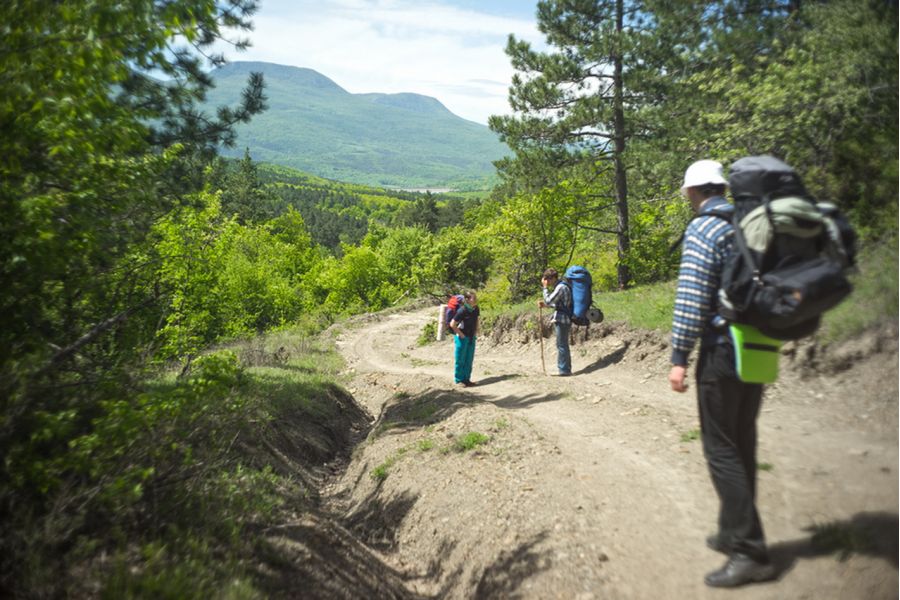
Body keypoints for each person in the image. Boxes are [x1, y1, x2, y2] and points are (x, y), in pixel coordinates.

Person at [668, 159, 776, 588]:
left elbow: (692, 297)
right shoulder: (748, 225)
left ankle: (750, 551)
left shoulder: (703, 229)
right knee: (743, 442)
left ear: (692, 193)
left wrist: (679, 355)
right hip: (757, 347)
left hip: (720, 352)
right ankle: (733, 531)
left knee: (720, 449)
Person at [537, 268, 572, 376]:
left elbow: (549, 299)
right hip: (562, 317)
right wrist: (546, 305)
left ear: (553, 278)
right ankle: (564, 369)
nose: (547, 282)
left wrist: (545, 288)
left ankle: (564, 370)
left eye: (548, 279)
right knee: (561, 344)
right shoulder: (561, 286)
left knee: (562, 345)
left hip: (563, 319)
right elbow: (557, 303)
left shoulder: (561, 287)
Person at [448, 291, 479, 387]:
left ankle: (467, 379)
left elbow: (477, 320)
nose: (475, 300)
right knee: (460, 359)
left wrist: (476, 332)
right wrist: (461, 335)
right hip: (462, 337)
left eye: (475, 298)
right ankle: (459, 380)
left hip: (471, 337)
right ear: (467, 300)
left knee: (469, 359)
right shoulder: (462, 310)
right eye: (473, 298)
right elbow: (452, 324)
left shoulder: (476, 309)